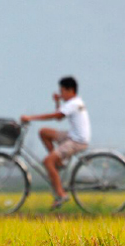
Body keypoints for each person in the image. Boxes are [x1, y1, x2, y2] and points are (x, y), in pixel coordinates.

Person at [20, 76, 91, 210]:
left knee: (47, 162)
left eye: (62, 91)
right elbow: (59, 117)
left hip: (76, 141)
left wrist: (30, 117)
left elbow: (56, 116)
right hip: (72, 136)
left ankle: (61, 194)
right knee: (44, 132)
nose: (61, 94)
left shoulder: (74, 104)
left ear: (70, 90)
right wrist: (57, 102)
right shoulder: (75, 103)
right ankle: (57, 163)